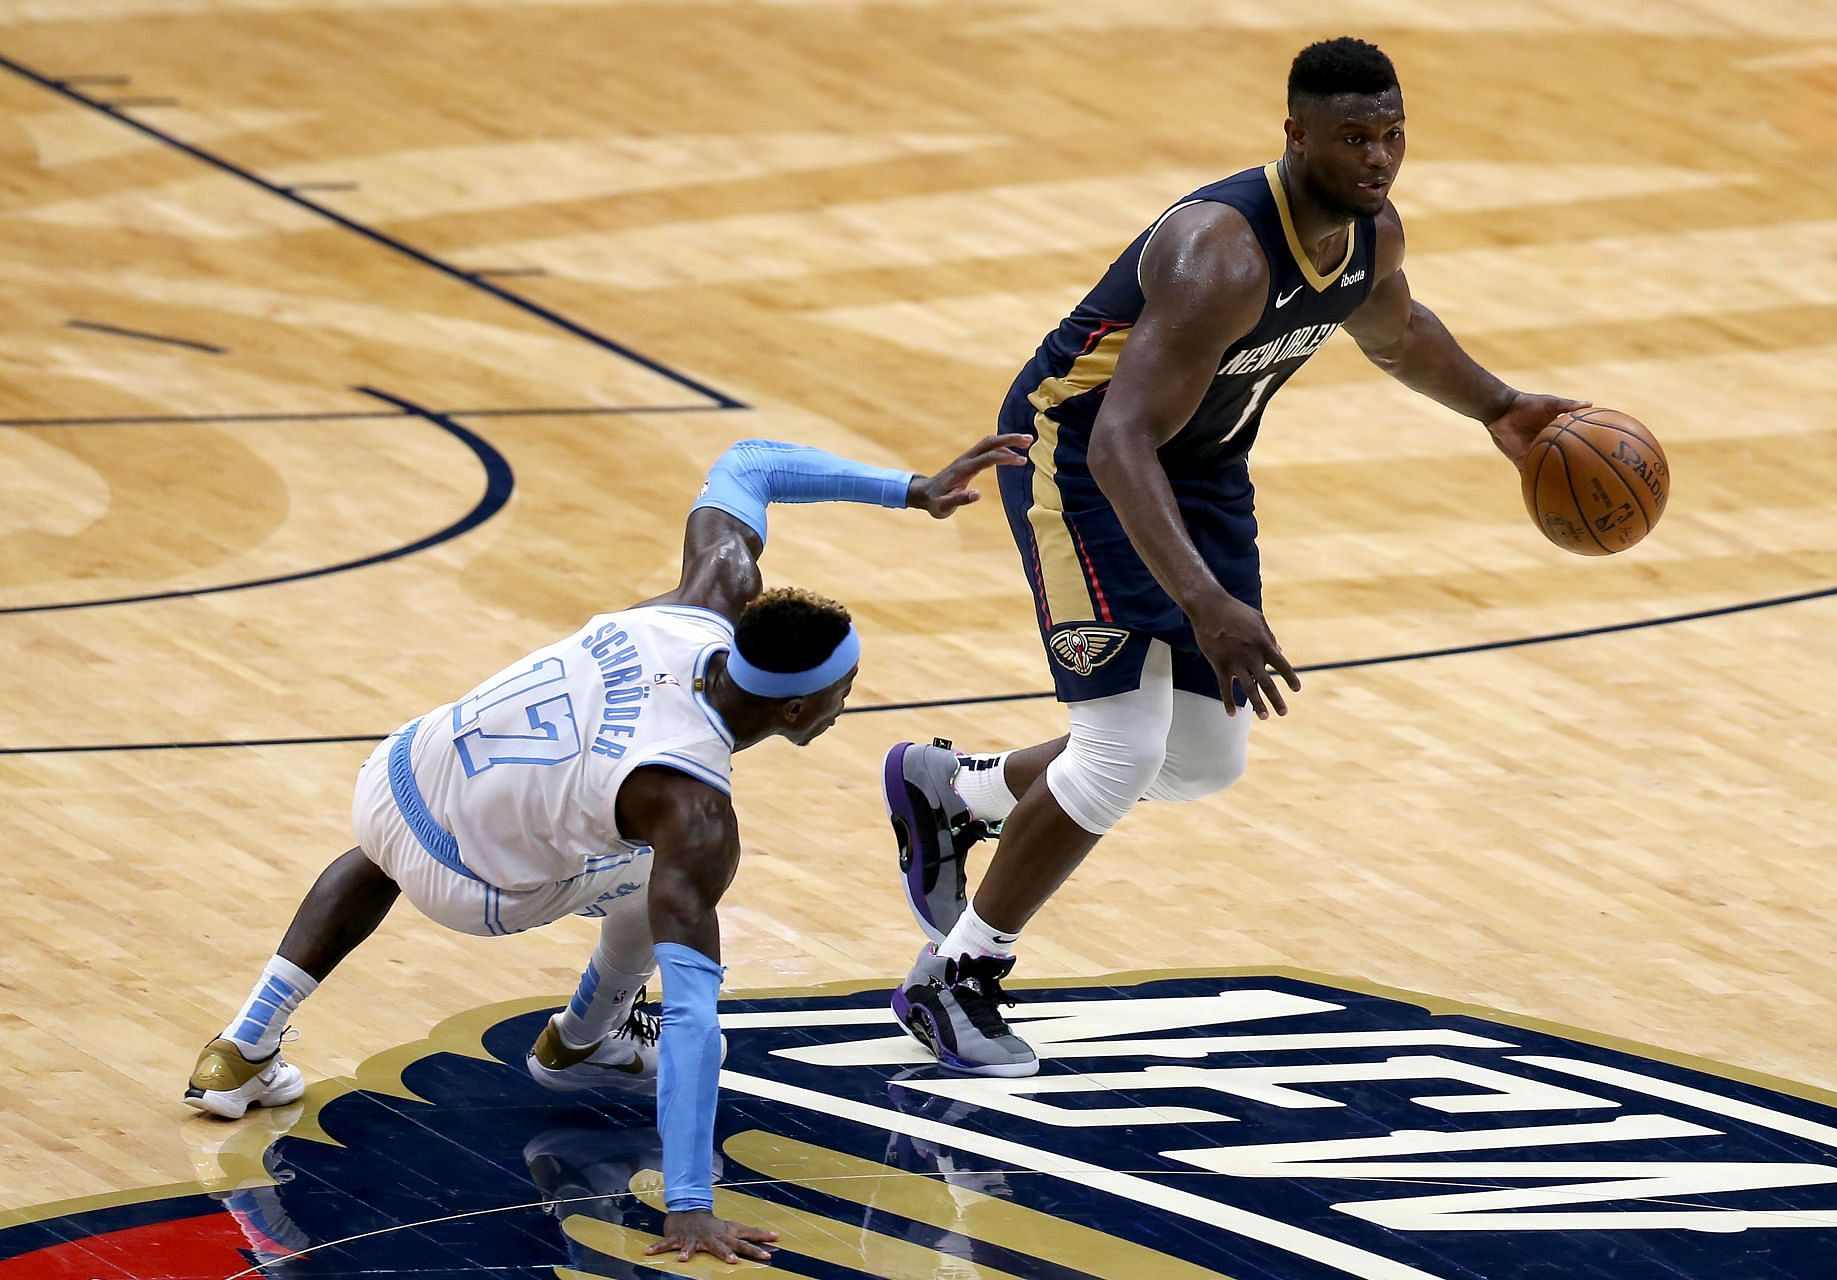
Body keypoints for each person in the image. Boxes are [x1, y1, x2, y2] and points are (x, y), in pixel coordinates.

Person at [884, 36, 1590, 1076]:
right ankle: (957, 976)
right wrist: (1205, 598)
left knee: (1201, 759)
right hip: (1081, 458)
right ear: (1295, 133)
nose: (1379, 157)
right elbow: (1120, 440)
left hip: (1201, 466)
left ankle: (963, 790)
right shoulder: (1222, 253)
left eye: (1393, 134)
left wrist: (1498, 406)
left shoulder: (1368, 235)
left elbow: (1396, 332)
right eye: (1354, 136)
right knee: (1121, 745)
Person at [185, 431, 1028, 1264]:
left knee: (394, 842)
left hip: (394, 775)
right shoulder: (692, 808)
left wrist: (911, 488)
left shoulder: (711, 597)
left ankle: (242, 1047)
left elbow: (748, 464)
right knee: (655, 883)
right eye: (846, 691)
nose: (850, 703)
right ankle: (588, 1036)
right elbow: (696, 1017)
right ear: (799, 711)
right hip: (466, 886)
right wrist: (691, 1206)